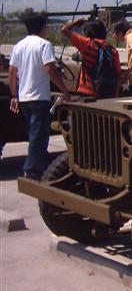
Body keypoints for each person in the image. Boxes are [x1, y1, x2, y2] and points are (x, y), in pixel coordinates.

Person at [9, 11, 71, 179]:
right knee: (39, 135)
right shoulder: (44, 45)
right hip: (39, 97)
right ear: (43, 28)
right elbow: (50, 68)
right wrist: (65, 90)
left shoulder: (19, 46)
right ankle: (31, 170)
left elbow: (12, 71)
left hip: (24, 97)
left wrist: (14, 95)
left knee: (33, 133)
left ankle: (41, 165)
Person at [60, 18, 122, 98]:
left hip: (87, 93)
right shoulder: (113, 50)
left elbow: (64, 30)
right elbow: (118, 75)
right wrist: (115, 96)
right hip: (106, 96)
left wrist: (76, 22)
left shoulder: (88, 44)